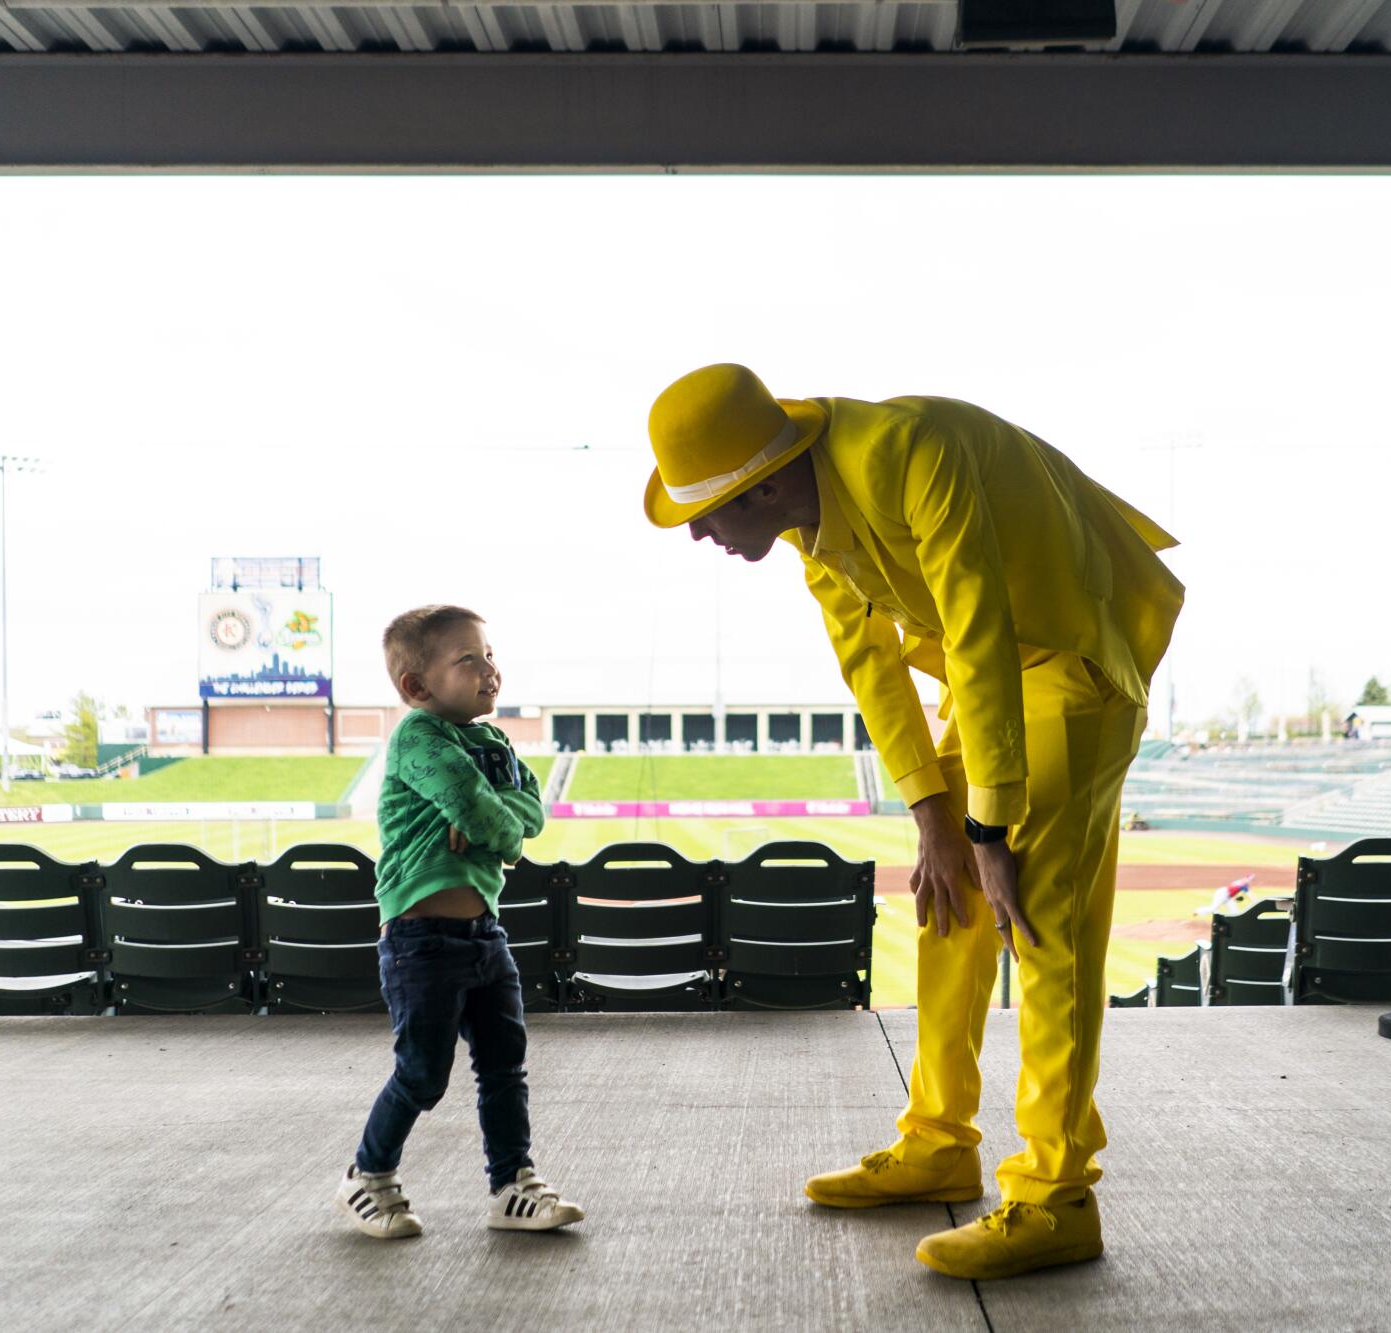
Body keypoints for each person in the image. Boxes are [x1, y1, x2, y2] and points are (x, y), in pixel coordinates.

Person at [643, 364, 1182, 1281]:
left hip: (1073, 651)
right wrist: (938, 823)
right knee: (951, 902)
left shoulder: (908, 451)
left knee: (1038, 917)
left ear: (766, 482)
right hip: (1000, 676)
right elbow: (875, 671)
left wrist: (990, 831)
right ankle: (940, 1139)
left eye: (708, 505)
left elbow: (974, 621)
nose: (696, 527)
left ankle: (1057, 1197)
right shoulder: (815, 533)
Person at [334, 604, 584, 1239]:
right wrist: (494, 824)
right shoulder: (419, 737)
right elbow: (487, 815)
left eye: (490, 655)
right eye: (467, 660)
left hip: (483, 935)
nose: (489, 670)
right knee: (421, 1073)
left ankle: (511, 1185)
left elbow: (529, 806)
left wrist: (493, 818)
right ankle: (369, 1175)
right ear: (417, 687)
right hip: (421, 941)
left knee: (505, 1067)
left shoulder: (493, 742)